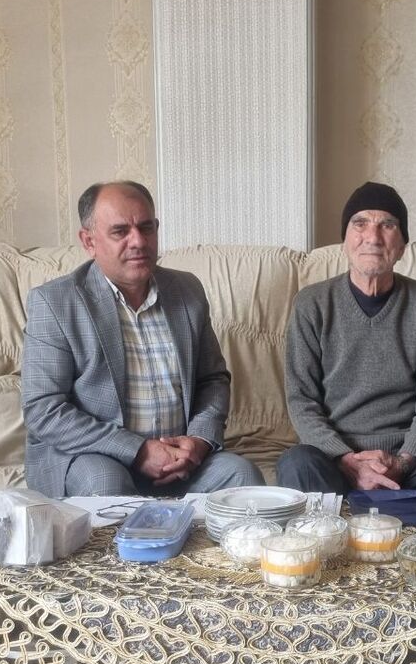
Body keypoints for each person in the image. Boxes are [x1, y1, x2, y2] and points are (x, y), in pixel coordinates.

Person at [22, 180, 264, 498]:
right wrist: (137, 451)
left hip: (178, 459)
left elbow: (213, 379)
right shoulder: (55, 303)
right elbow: (43, 409)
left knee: (243, 477)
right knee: (106, 484)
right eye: (120, 231)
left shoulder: (187, 291)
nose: (138, 241)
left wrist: (199, 441)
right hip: (94, 456)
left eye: (146, 228)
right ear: (89, 241)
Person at [277, 181, 416, 493]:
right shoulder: (312, 304)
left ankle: (372, 512)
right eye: (360, 223)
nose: (373, 237)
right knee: (296, 464)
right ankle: (381, 511)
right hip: (335, 460)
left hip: (406, 461)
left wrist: (403, 462)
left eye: (387, 225)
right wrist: (347, 460)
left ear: (402, 245)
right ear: (345, 241)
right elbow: (302, 400)